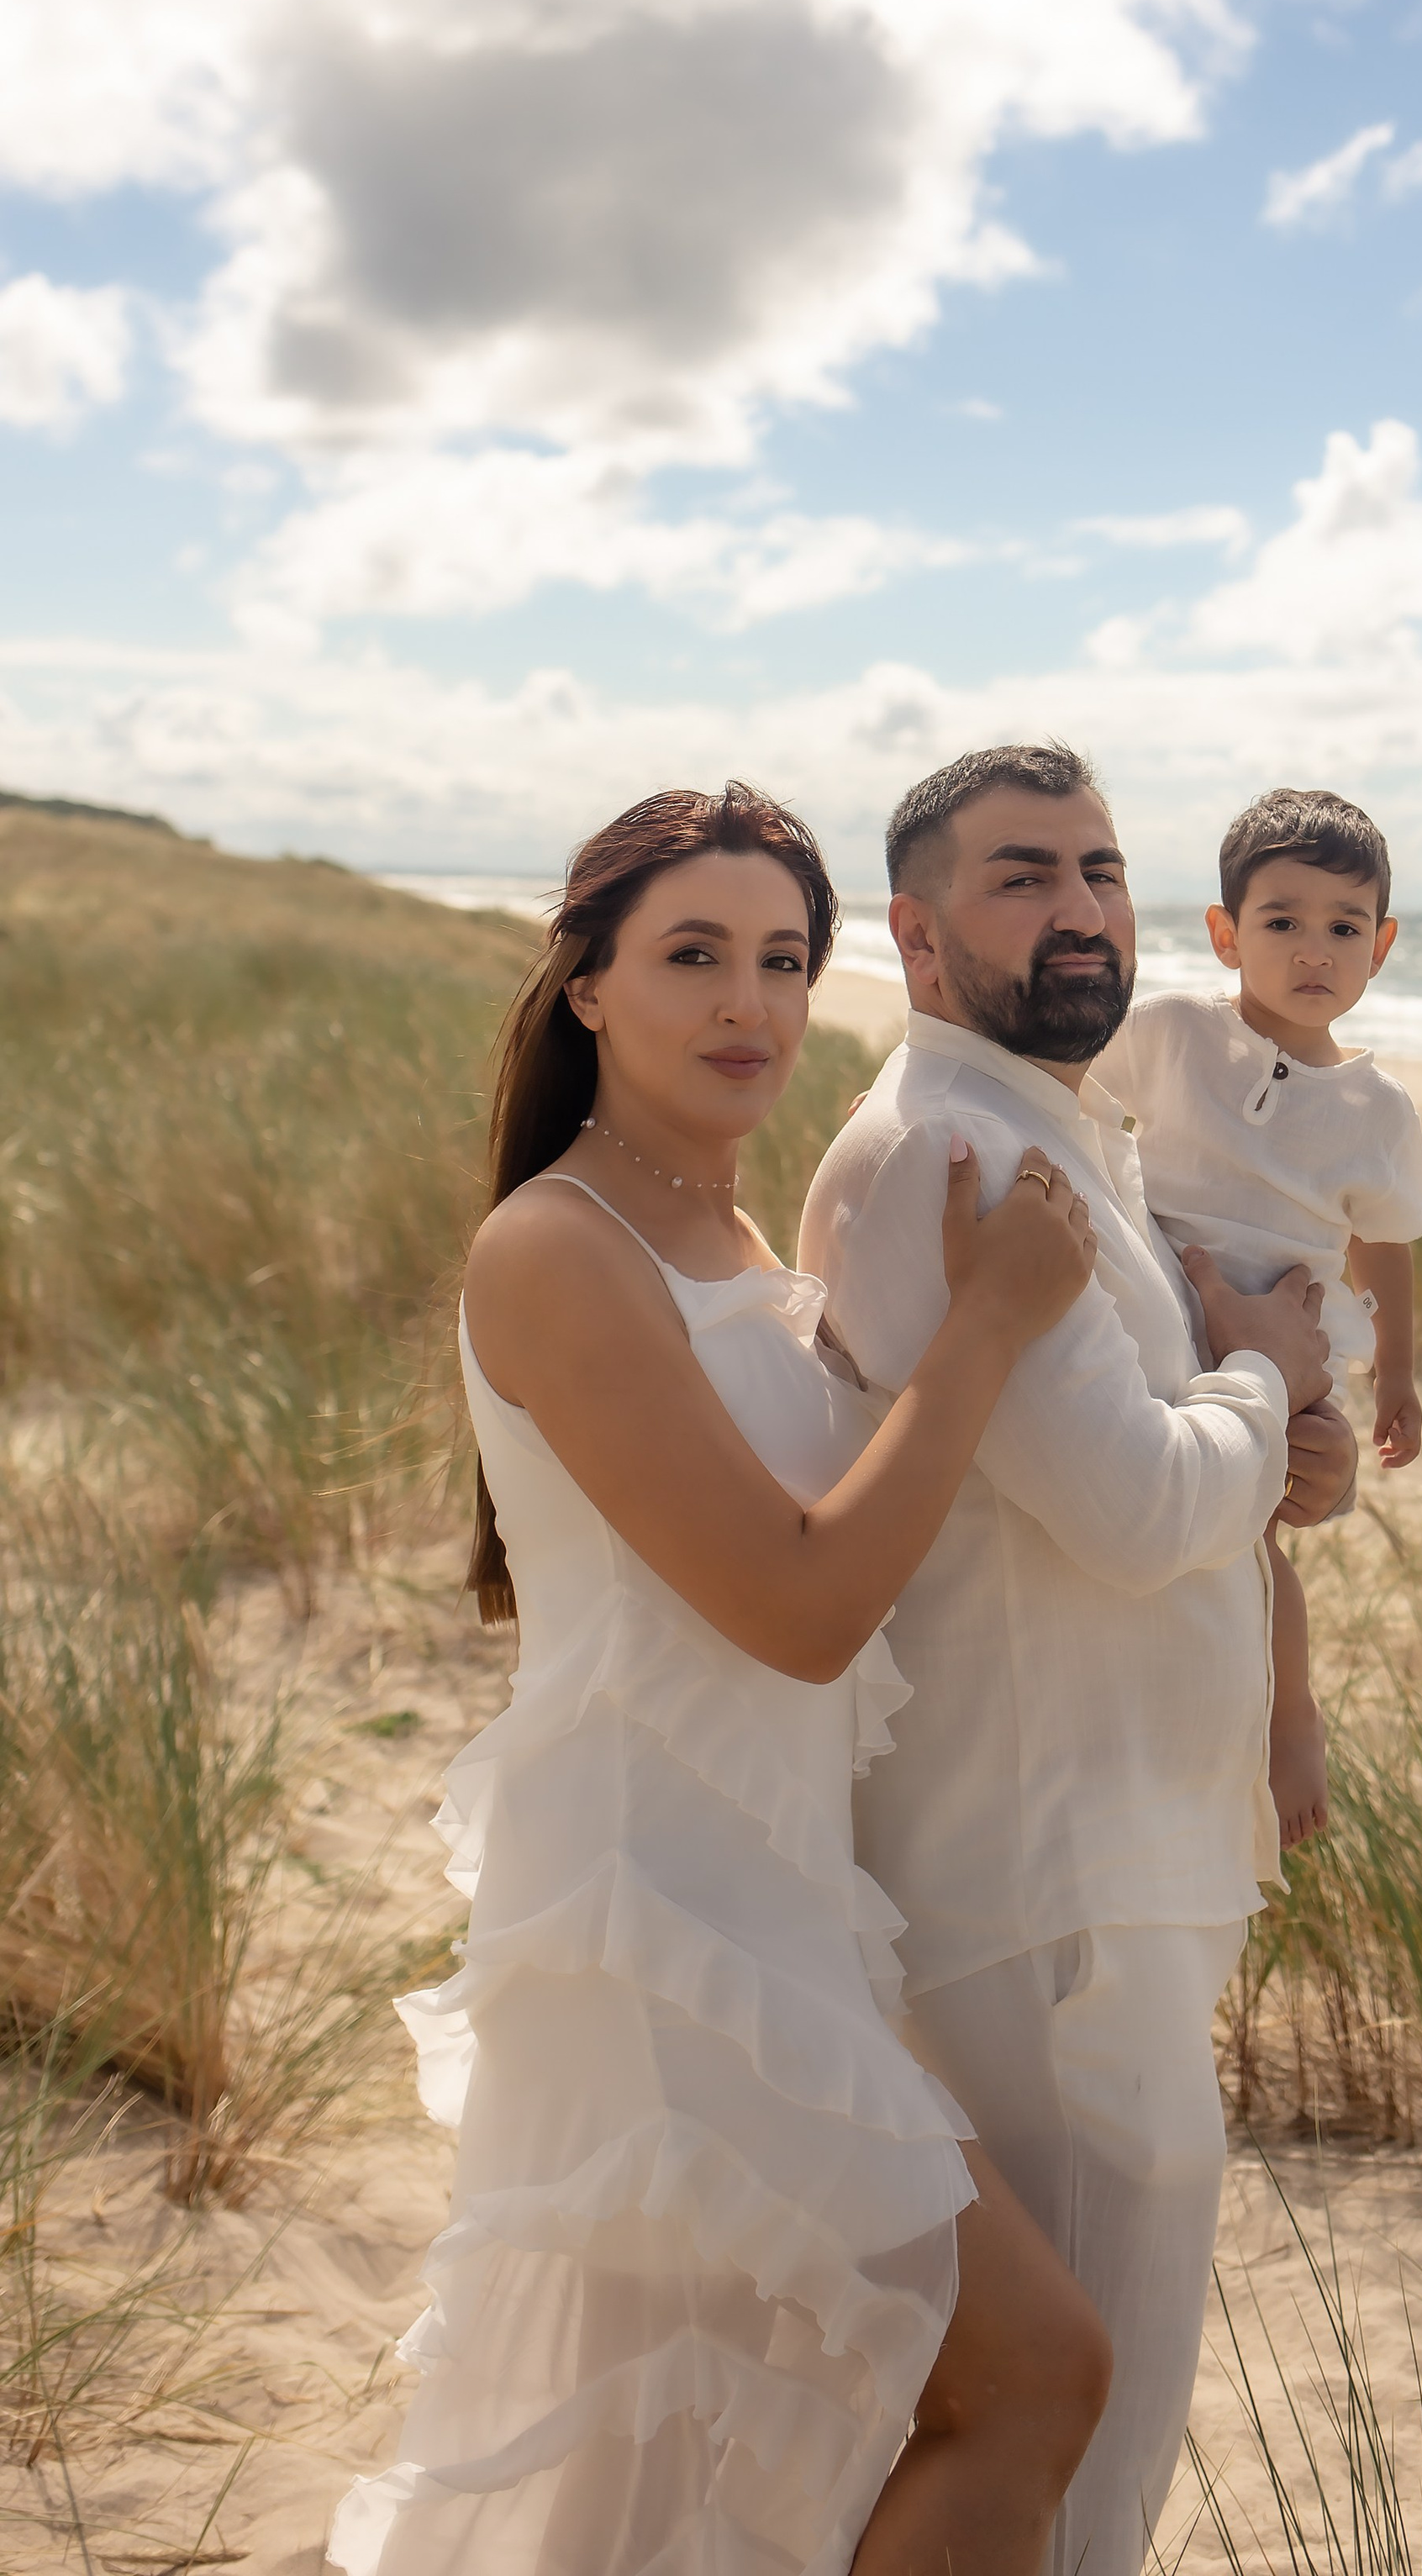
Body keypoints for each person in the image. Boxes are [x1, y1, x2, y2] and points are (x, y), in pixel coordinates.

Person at [329, 783, 1112, 2576]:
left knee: (704, 2446)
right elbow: (800, 1600)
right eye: (692, 956)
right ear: (589, 985)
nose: (747, 1002)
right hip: (648, 1911)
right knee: (1033, 2374)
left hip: (775, 1901)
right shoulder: (557, 1246)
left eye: (782, 959)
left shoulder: (739, 1243)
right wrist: (992, 1323)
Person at [797, 743, 1356, 2576]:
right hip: (1039, 1884)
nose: (1082, 911)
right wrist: (1264, 1372)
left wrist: (1259, 1414)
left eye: (1102, 872)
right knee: (1078, 2430)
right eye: (1023, 877)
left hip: (1101, 1863)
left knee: (1077, 2419)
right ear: (917, 930)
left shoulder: (1051, 1132)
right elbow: (1127, 1507)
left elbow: (1155, 1470)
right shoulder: (947, 1155)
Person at [1090, 787, 1422, 1856]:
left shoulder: (1374, 1112)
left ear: (1379, 948)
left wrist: (1395, 1377)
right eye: (1281, 921)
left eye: (1343, 927)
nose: (1312, 950)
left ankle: (1292, 1720)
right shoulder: (1168, 1035)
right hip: (1150, 1309)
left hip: (1283, 1357)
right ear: (1224, 932)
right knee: (1135, 1503)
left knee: (1253, 1544)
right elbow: (1059, 1104)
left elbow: (1384, 1244)